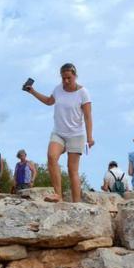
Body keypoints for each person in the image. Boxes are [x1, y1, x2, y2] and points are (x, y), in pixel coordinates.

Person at [24, 62, 93, 202]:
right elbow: (49, 101)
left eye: (69, 78)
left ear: (75, 76)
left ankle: (77, 203)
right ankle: (58, 195)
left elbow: (87, 116)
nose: (66, 81)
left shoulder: (83, 93)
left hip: (76, 134)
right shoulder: (58, 89)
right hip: (59, 133)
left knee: (72, 170)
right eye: (63, 78)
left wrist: (90, 137)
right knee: (51, 156)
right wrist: (32, 91)